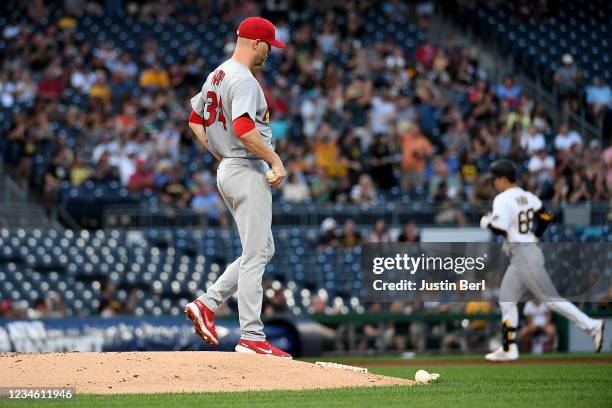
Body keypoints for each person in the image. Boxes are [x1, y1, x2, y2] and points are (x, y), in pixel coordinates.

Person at [184, 17, 291, 358]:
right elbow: (245, 128)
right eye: (269, 47)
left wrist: (217, 151)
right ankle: (251, 337)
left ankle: (208, 303)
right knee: (257, 254)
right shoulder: (244, 79)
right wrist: (275, 160)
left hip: (229, 167)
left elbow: (195, 118)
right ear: (256, 43)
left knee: (260, 249)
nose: (270, 54)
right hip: (244, 167)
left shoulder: (216, 74)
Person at [480, 159, 604, 361]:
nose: (493, 183)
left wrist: (486, 223)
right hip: (525, 252)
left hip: (523, 254)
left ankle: (591, 325)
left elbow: (500, 229)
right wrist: (536, 236)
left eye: (495, 179)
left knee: (551, 300)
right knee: (506, 299)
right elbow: (546, 216)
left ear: (503, 179)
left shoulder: (502, 199)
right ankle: (509, 348)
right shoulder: (527, 196)